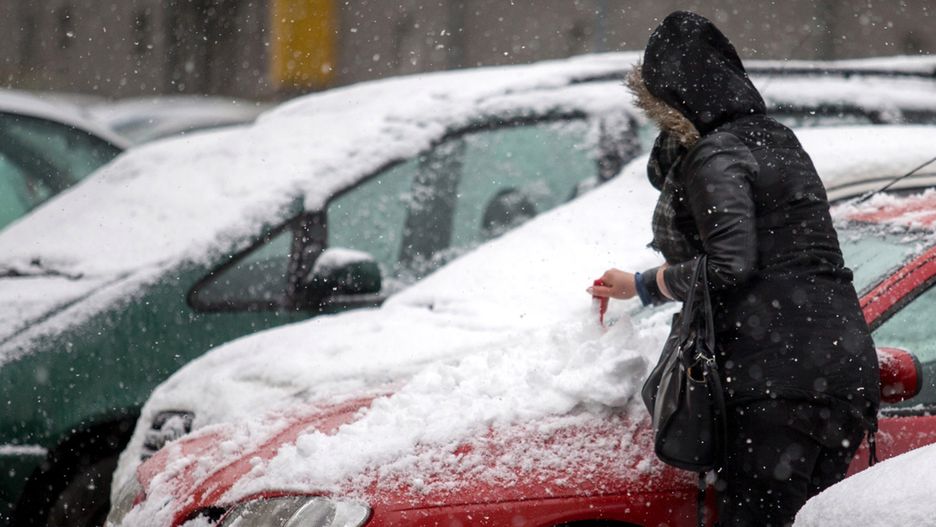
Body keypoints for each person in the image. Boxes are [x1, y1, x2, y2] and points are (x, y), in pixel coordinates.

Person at [587, 11, 880, 527]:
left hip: (776, 382)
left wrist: (646, 283)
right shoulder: (777, 140)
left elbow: (729, 264)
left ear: (675, 101)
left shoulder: (715, 153)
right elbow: (773, 253)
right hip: (842, 370)